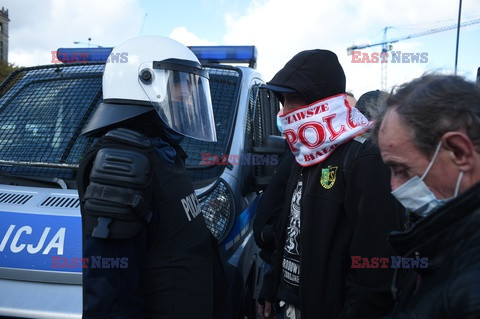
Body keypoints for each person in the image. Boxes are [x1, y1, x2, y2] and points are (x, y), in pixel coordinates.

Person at [77, 35, 227, 319]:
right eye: (182, 93)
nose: (187, 103)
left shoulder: (161, 152)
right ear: (145, 83)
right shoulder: (122, 166)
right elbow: (111, 295)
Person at [257, 49, 406, 319]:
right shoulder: (302, 151)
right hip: (284, 305)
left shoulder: (364, 156)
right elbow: (289, 226)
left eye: (292, 100)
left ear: (321, 103)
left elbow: (375, 269)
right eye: (282, 101)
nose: (284, 113)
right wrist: (271, 285)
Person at [371, 74, 480, 318]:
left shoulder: (470, 292)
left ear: (460, 152)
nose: (394, 186)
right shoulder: (446, 239)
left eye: (402, 169)